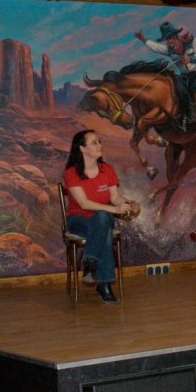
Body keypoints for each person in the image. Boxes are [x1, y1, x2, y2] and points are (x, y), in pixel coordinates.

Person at [64, 129, 138, 303]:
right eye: (94, 142)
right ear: (82, 148)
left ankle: (90, 262)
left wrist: (128, 203)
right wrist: (115, 210)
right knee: (103, 223)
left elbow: (115, 198)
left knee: (102, 218)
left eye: (99, 141)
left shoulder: (107, 170)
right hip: (78, 220)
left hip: (101, 220)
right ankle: (104, 286)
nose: (99, 145)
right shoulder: (72, 172)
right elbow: (84, 204)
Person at [135, 21, 196, 131]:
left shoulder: (192, 41)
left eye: (170, 37)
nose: (169, 41)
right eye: (167, 39)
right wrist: (143, 39)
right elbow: (155, 47)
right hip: (183, 76)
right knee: (178, 89)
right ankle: (182, 116)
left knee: (192, 89)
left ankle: (193, 114)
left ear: (176, 36)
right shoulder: (168, 50)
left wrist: (191, 59)